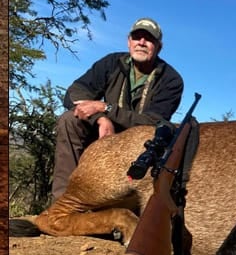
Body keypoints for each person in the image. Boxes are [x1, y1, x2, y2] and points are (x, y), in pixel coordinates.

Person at [51, 17, 184, 200]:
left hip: (141, 143)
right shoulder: (111, 62)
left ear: (159, 47)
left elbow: (153, 121)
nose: (142, 43)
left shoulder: (171, 80)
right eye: (137, 37)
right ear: (129, 42)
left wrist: (107, 108)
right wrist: (100, 118)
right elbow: (75, 92)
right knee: (69, 120)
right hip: (104, 134)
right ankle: (62, 204)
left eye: (149, 39)